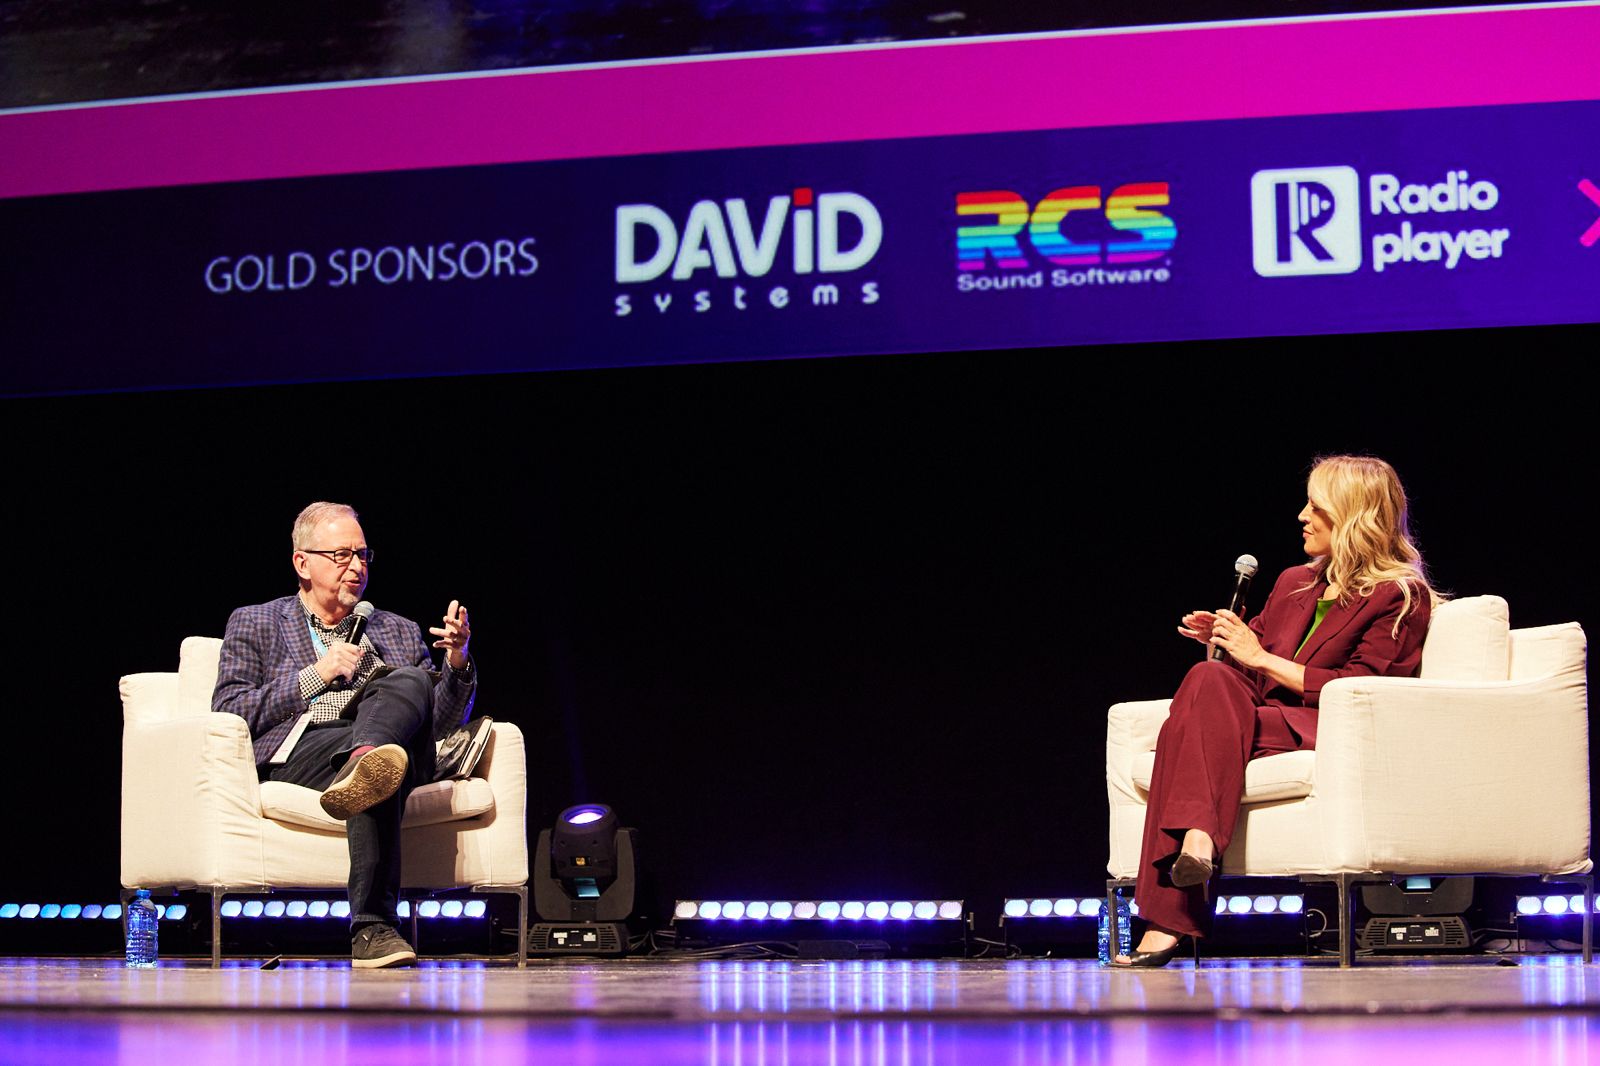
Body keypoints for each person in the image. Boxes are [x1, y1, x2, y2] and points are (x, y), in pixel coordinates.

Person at [1113, 455, 1439, 967]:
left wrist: (1258, 656)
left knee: (1182, 734)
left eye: (1316, 506)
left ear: (1353, 515)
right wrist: (1225, 644)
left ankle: (1166, 920)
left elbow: (1362, 689)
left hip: (1324, 727)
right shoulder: (1293, 582)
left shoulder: (1398, 595)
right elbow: (1246, 671)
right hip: (1258, 721)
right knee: (1206, 676)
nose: (1302, 516)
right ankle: (1197, 842)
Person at [213, 502, 477, 968]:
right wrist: (315, 674)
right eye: (342, 555)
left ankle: (365, 758)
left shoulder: (397, 630)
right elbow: (229, 711)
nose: (357, 566)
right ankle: (373, 925)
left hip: (389, 747)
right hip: (306, 749)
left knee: (407, 687)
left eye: (363, 555)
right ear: (302, 563)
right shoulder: (256, 622)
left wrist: (457, 662)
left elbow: (437, 724)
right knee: (384, 763)